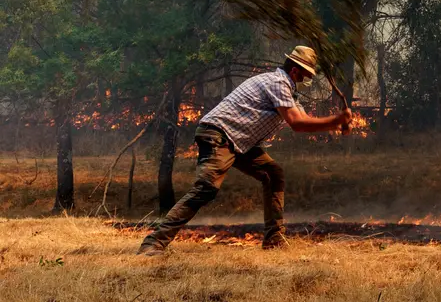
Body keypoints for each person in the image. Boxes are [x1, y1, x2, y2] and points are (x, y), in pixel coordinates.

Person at [137, 46, 352, 255]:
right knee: (206, 189)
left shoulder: (288, 92)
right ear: (295, 71)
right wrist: (337, 120)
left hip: (240, 142)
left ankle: (274, 239)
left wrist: (337, 124)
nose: (307, 81)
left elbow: (304, 120)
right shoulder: (277, 82)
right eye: (306, 76)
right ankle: (153, 243)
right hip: (218, 134)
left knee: (273, 173)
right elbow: (297, 123)